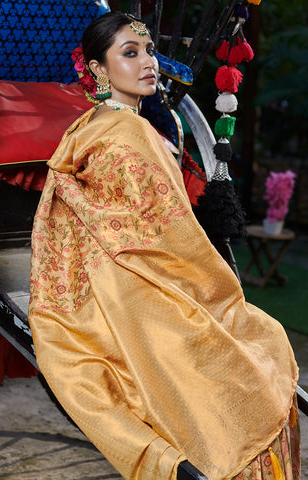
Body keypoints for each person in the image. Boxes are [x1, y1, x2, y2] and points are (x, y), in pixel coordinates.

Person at [28, 11, 300, 480]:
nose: (148, 62)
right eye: (129, 53)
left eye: (149, 50)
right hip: (133, 281)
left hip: (115, 275)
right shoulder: (131, 133)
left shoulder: (93, 126)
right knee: (253, 354)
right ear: (97, 69)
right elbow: (170, 238)